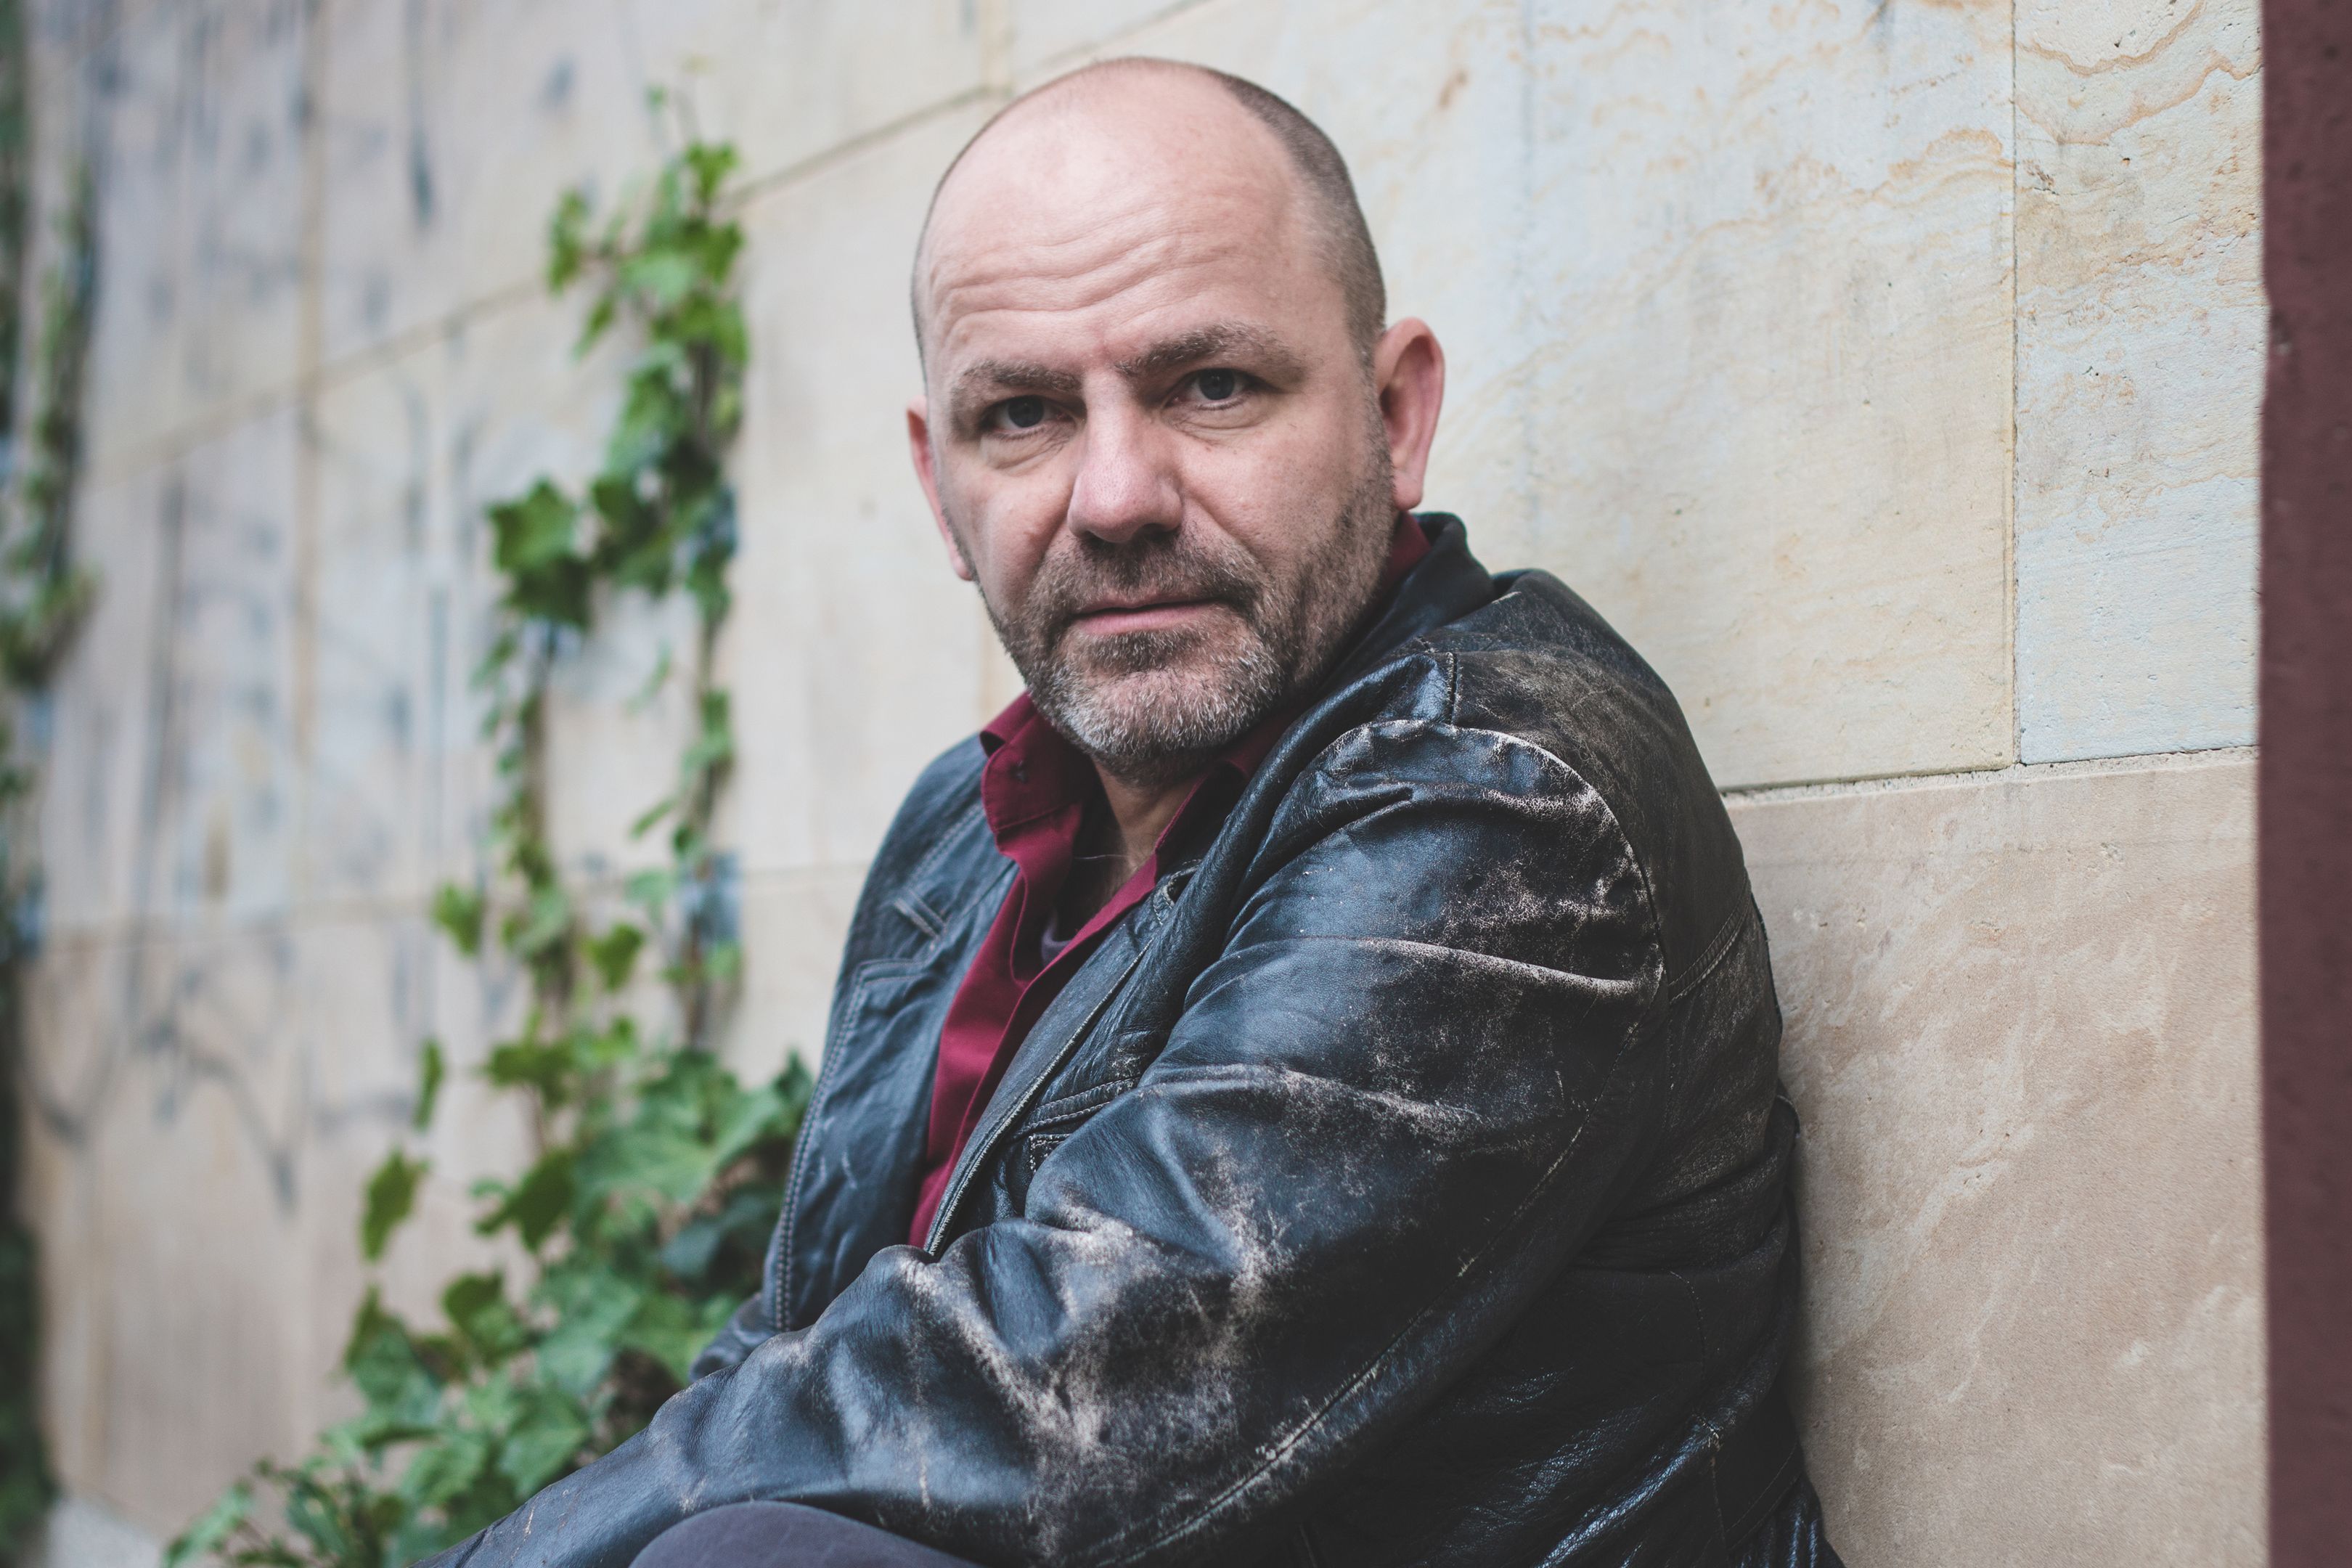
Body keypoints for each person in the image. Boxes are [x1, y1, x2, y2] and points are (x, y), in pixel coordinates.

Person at [423, 57, 1841, 1568]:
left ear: (1393, 413)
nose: (1113, 497)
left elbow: (1072, 1381)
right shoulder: (962, 835)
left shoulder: (1504, 803)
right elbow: (802, 1349)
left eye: (1210, 386)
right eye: (1023, 414)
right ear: (939, 488)